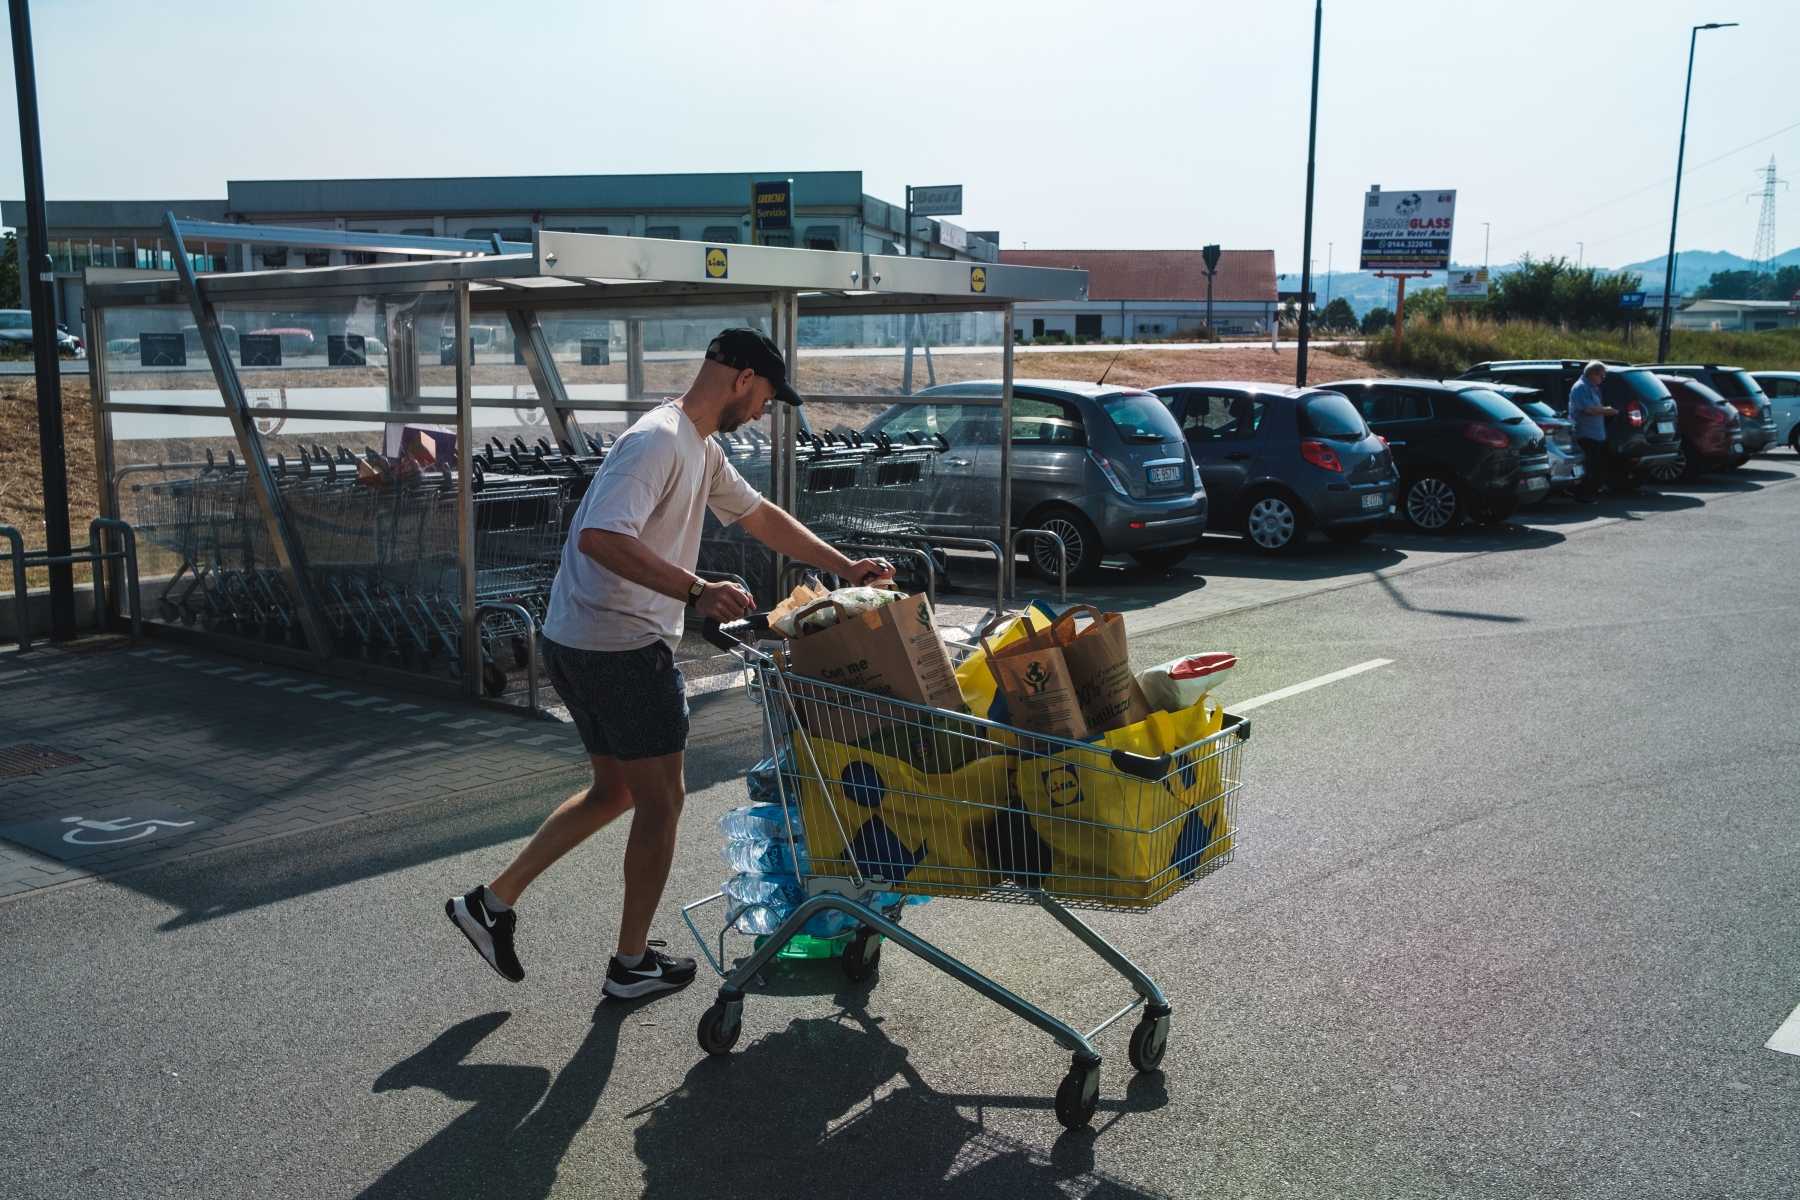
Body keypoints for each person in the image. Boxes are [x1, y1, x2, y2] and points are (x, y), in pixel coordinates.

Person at [447, 328, 894, 1000]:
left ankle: (490, 903)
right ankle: (630, 966)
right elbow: (600, 536)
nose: (763, 412)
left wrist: (844, 566)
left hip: (582, 641)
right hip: (622, 649)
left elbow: (760, 516)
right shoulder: (658, 441)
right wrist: (695, 590)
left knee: (615, 792)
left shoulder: (698, 445)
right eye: (767, 398)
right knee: (663, 801)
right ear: (743, 379)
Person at [1568, 360, 1615, 503]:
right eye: (1602, 375)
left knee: (1596, 465)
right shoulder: (1581, 387)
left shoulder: (1594, 388)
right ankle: (1580, 494)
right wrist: (1606, 411)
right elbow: (1587, 409)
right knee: (1586, 465)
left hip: (1595, 434)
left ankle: (1587, 492)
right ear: (1593, 374)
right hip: (1584, 433)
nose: (1603, 379)